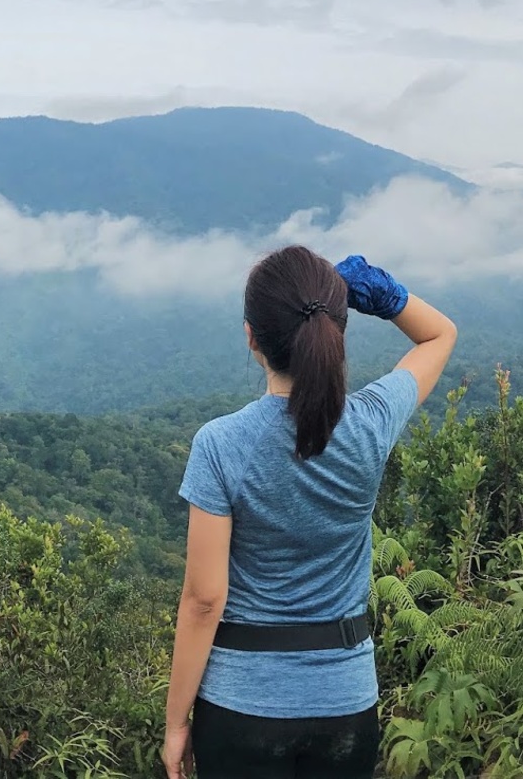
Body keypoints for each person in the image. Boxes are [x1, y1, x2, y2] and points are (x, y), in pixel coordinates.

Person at [162, 246, 457, 779]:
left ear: (253, 338)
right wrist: (386, 297)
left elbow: (205, 601)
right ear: (335, 333)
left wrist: (175, 723)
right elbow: (439, 335)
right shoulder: (370, 423)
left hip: (240, 707)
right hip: (345, 702)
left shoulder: (220, 445)